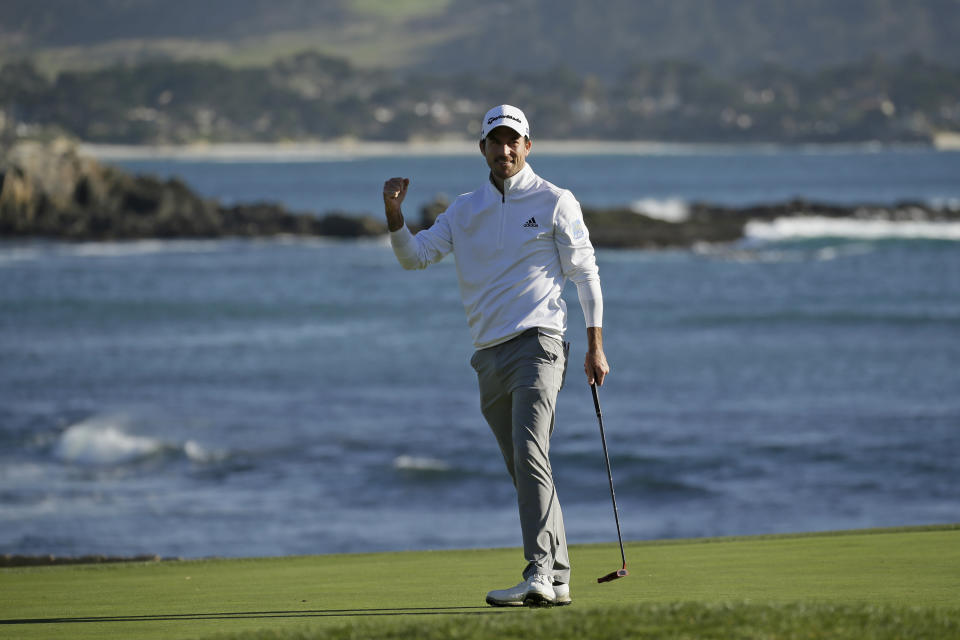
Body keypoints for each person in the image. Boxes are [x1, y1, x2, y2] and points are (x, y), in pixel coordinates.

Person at [382, 104, 610, 607]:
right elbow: (415, 258)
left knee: (531, 456)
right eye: (495, 141)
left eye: (514, 141)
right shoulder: (464, 210)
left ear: (528, 146)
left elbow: (585, 272)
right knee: (528, 467)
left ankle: (538, 573)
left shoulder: (555, 200)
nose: (505, 150)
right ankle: (561, 575)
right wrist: (395, 216)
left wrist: (595, 345)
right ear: (482, 148)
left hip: (540, 345)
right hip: (487, 355)